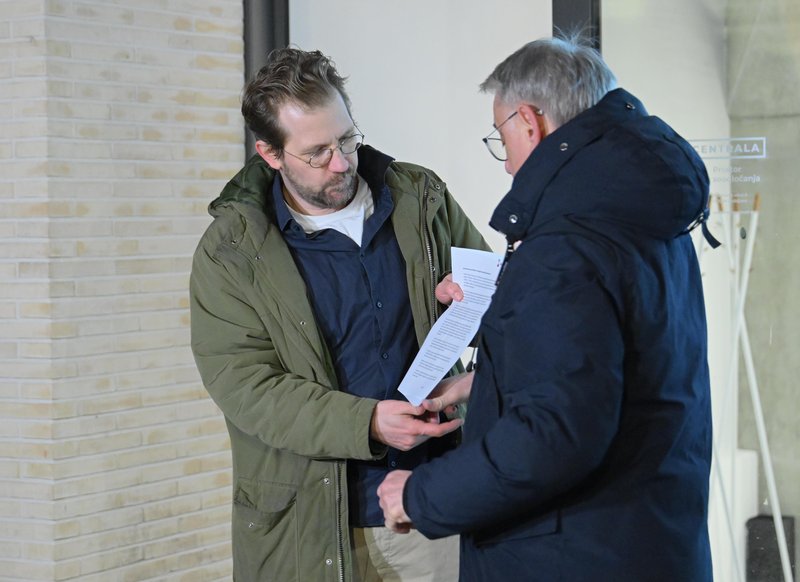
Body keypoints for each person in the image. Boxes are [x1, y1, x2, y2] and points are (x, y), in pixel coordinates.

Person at [377, 35, 718, 581]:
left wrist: (420, 496)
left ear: (529, 121)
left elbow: (554, 436)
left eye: (501, 136)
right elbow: (617, 373)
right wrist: (483, 384)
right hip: (648, 539)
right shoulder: (642, 214)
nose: (508, 162)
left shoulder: (565, 245)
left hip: (572, 556)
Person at [189, 47, 489, 582]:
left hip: (432, 506)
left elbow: (504, 304)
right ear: (270, 154)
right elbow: (244, 385)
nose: (343, 162)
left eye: (348, 139)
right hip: (306, 524)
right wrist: (367, 422)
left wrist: (470, 298)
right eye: (318, 152)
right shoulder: (231, 250)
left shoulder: (422, 198)